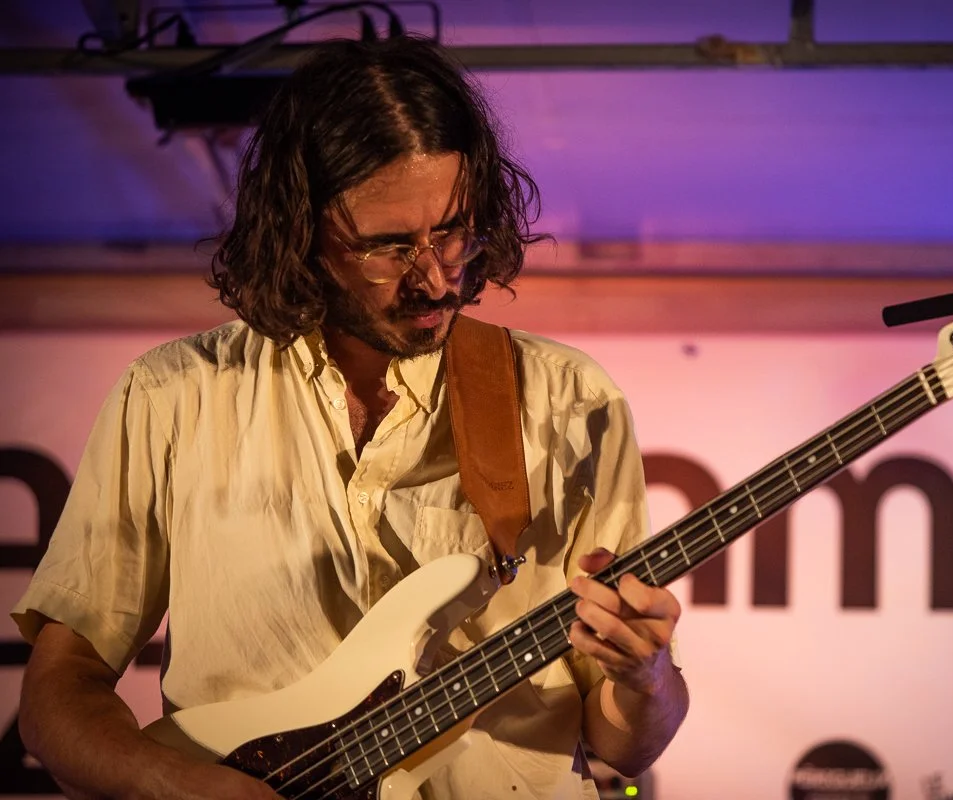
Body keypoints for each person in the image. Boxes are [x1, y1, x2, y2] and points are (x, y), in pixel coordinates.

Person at [13, 35, 688, 800]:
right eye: (388, 247)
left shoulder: (571, 400)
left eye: (453, 231)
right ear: (299, 234)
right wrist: (175, 784)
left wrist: (645, 678)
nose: (434, 278)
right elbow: (57, 693)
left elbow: (624, 744)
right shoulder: (172, 396)